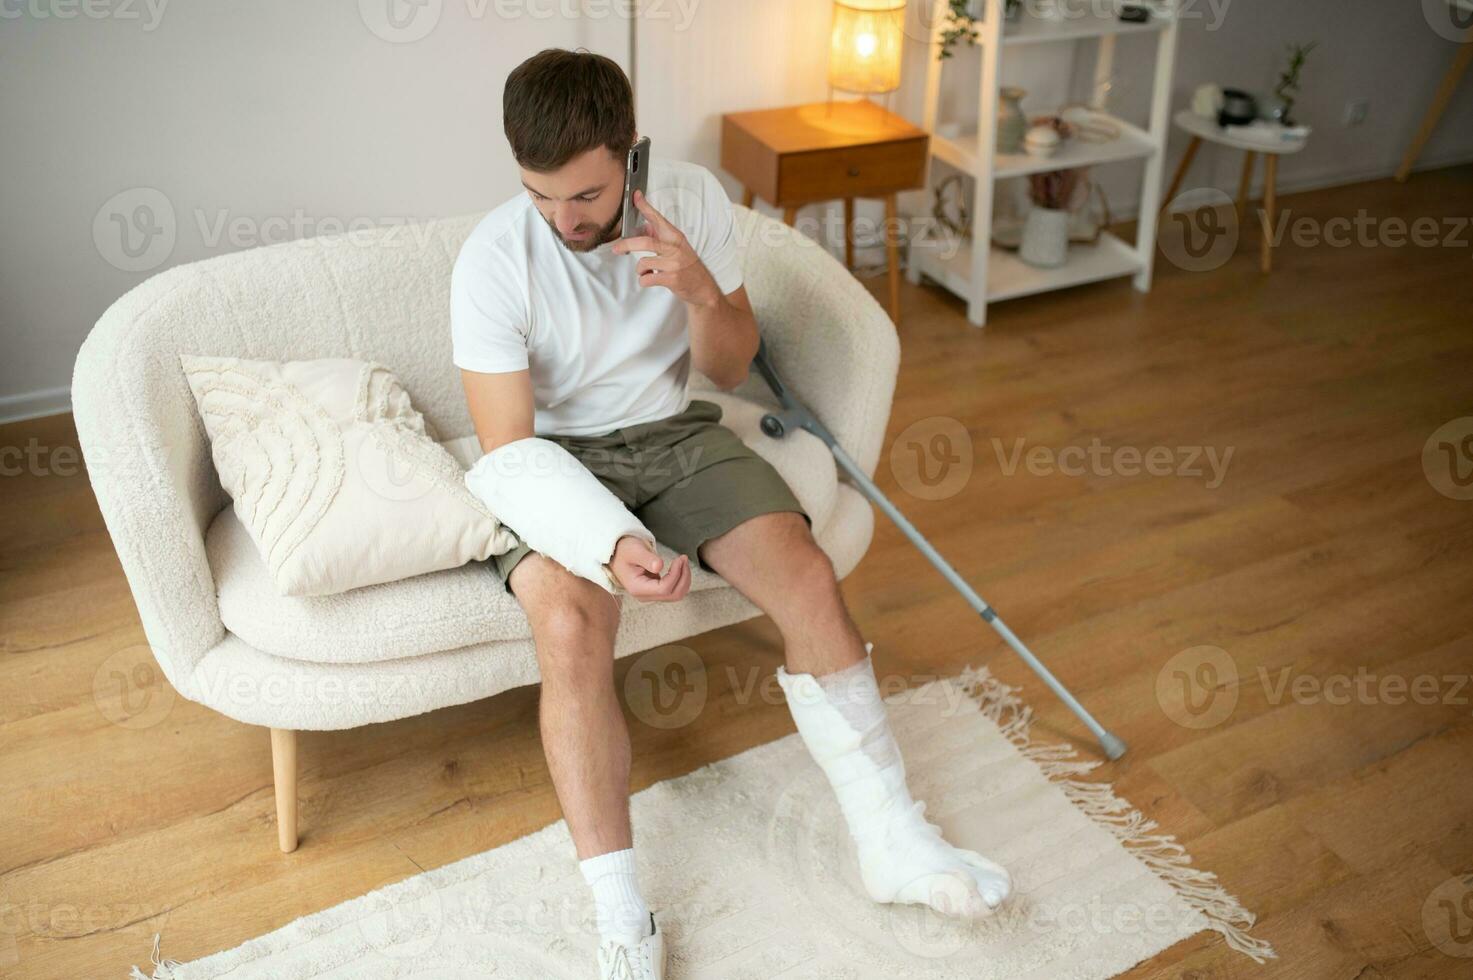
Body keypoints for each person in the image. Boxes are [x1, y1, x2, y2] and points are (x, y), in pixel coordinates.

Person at [453, 47, 1012, 980]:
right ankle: (620, 910)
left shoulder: (696, 201)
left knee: (804, 573)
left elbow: (725, 365)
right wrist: (610, 541)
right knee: (568, 620)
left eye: (585, 196)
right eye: (540, 196)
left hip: (670, 430)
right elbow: (509, 453)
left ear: (629, 155)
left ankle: (893, 841)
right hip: (551, 463)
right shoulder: (493, 260)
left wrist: (700, 290)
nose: (563, 221)